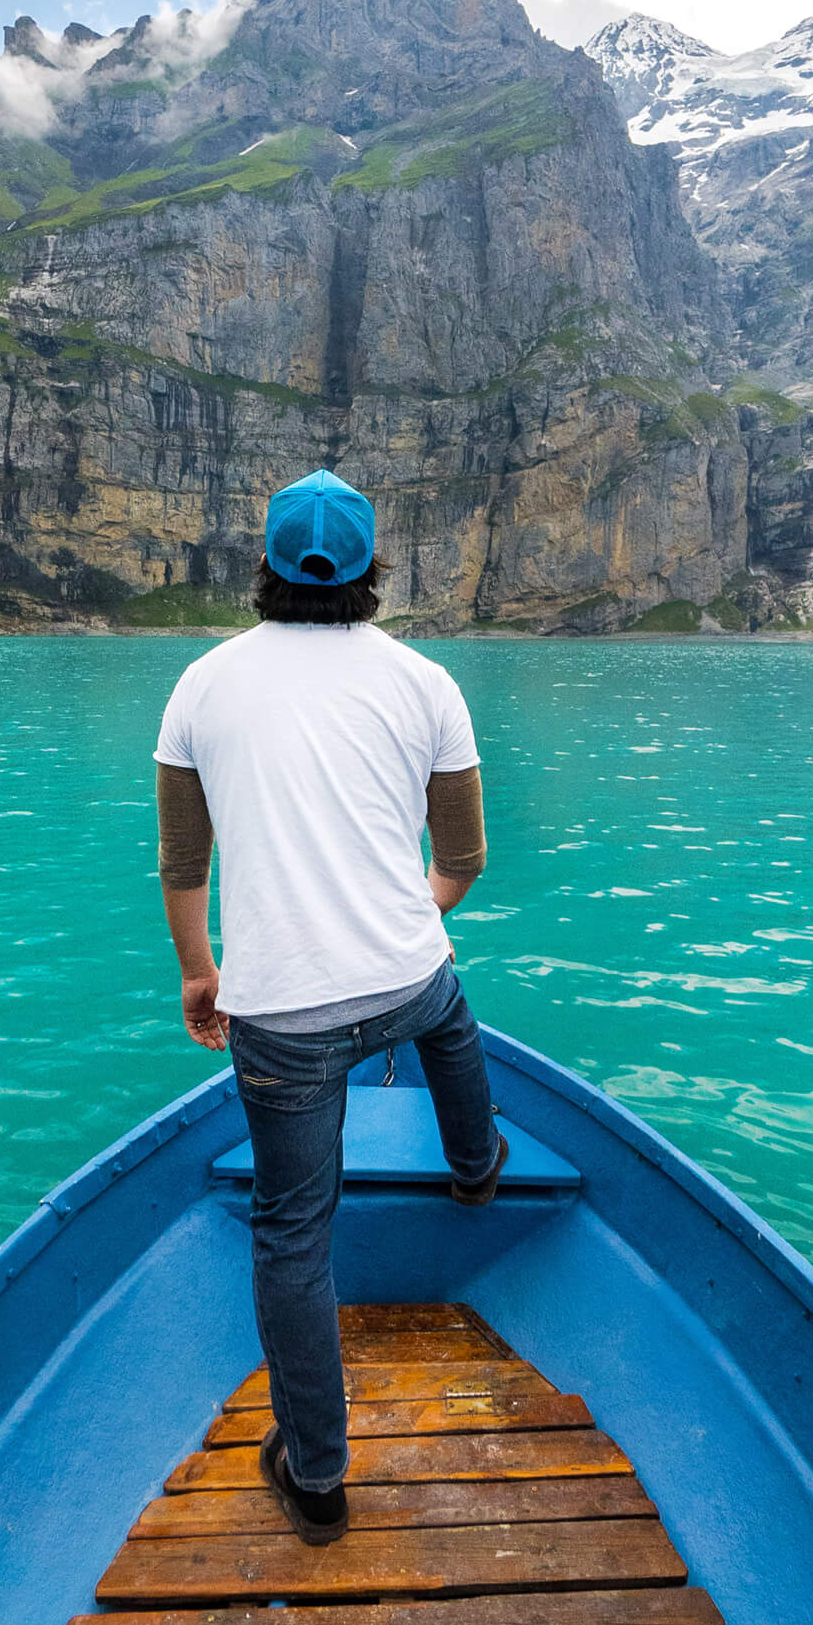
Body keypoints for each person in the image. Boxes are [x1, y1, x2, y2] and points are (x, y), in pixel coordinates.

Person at [154, 469, 505, 1547]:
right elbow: (466, 861)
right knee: (448, 1014)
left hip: (284, 1026)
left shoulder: (201, 687)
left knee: (292, 1237)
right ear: (369, 572)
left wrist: (199, 975)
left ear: (264, 563)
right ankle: (475, 1167)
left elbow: (182, 864)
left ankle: (316, 1474)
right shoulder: (426, 683)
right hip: (405, 981)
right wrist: (408, 910)